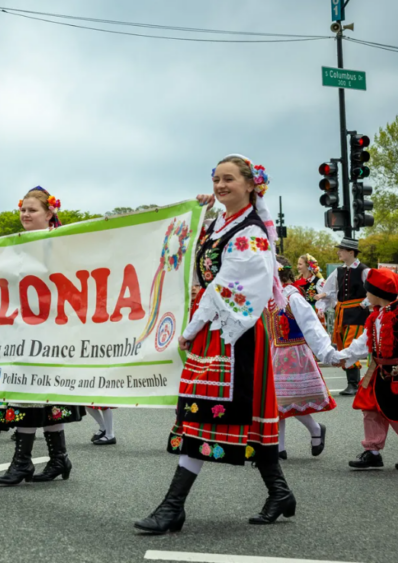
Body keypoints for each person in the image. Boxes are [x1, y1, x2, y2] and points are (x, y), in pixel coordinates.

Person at [136, 154, 291, 534]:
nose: (221, 186)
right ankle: (279, 491)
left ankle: (173, 506)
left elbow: (229, 288)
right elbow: (201, 266)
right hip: (214, 329)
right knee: (218, 415)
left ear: (251, 185)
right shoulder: (223, 221)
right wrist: (201, 213)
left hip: (233, 333)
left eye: (230, 180)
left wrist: (192, 326)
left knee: (205, 414)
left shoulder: (250, 233)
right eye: (217, 179)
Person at [0, 188, 85, 484]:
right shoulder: (14, 245)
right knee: (32, 392)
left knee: (36, 394)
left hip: (49, 330)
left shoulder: (59, 244)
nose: (26, 215)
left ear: (49, 213)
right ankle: (57, 459)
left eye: (32, 210)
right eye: (23, 209)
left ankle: (25, 462)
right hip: (21, 329)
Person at [269, 256, 339, 459]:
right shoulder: (269, 295)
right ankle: (279, 447)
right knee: (278, 402)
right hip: (274, 352)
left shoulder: (292, 296)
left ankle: (314, 430)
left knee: (287, 400)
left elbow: (310, 325)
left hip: (293, 353)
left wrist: (326, 351)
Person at [335, 268, 398, 470]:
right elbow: (363, 342)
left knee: (397, 412)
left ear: (377, 293)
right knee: (370, 408)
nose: (365, 296)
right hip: (378, 371)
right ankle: (373, 452)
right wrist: (342, 356)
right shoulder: (376, 316)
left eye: (368, 292)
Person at [315, 238, 371, 396]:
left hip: (358, 314)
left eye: (341, 250)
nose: (338, 252)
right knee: (341, 345)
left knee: (349, 344)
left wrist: (365, 303)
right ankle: (352, 383)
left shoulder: (363, 270)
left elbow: (373, 290)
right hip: (342, 313)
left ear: (351, 252)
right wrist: (322, 306)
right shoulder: (338, 271)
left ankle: (354, 384)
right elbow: (331, 291)